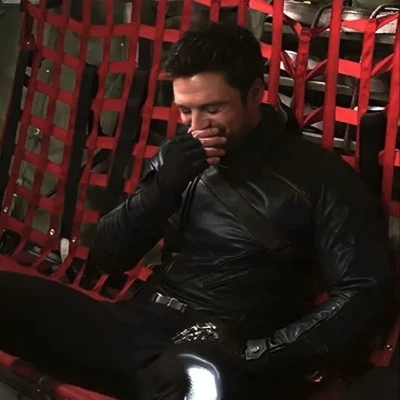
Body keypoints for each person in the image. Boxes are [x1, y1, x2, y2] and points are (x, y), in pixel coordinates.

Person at [0, 22, 396, 400]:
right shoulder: (180, 155)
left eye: (213, 109)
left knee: (198, 381)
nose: (197, 126)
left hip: (221, 347)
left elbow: (362, 291)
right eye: (185, 110)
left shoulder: (321, 178)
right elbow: (107, 257)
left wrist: (258, 353)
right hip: (140, 323)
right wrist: (161, 187)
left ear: (255, 93)